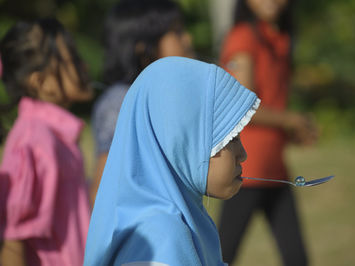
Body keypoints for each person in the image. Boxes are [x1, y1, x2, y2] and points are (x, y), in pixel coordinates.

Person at [84, 56, 260, 266]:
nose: (242, 154)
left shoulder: (187, 221)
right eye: (231, 138)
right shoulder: (160, 239)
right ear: (182, 141)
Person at [217, 0, 318, 265]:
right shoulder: (243, 37)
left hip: (275, 170)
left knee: (296, 257)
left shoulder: (278, 37)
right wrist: (291, 120)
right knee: (220, 257)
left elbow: (271, 101)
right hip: (246, 169)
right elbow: (242, 103)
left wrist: (291, 130)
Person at [0, 18, 92, 266]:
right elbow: (13, 241)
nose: (84, 66)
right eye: (71, 59)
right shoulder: (34, 141)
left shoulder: (57, 136)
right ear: (40, 82)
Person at [90, 0, 193, 205]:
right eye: (177, 32)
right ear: (143, 48)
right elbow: (104, 189)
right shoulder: (121, 102)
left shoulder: (160, 96)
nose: (187, 39)